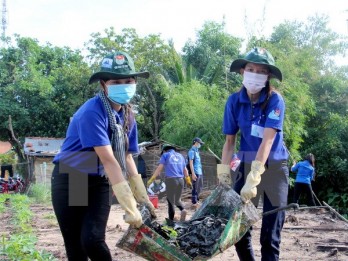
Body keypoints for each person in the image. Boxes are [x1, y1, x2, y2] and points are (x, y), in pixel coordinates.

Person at [51, 51, 156, 261]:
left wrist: (141, 197)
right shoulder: (92, 112)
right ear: (103, 84)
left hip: (99, 180)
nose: (123, 85)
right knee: (76, 247)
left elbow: (126, 157)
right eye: (116, 81)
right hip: (73, 178)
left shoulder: (127, 115)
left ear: (135, 81)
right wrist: (128, 204)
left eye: (128, 80)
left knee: (92, 239)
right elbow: (109, 159)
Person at [217, 47, 289, 261]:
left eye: (261, 71)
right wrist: (223, 177)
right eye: (251, 69)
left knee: (270, 233)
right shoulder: (233, 101)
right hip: (245, 165)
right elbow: (230, 141)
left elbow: (267, 140)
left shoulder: (275, 101)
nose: (255, 74)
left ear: (268, 76)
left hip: (275, 169)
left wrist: (255, 177)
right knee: (238, 230)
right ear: (242, 71)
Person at [147, 144, 192, 221]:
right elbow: (185, 170)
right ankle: (183, 209)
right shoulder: (181, 156)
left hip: (171, 180)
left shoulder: (165, 155)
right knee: (177, 200)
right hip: (181, 180)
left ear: (165, 150)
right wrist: (188, 180)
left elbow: (160, 168)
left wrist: (152, 178)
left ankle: (170, 220)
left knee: (170, 201)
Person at [188, 137, 204, 209]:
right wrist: (193, 173)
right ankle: (194, 202)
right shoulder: (191, 151)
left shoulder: (197, 151)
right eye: (199, 143)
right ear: (196, 143)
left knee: (200, 187)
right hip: (195, 171)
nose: (200, 144)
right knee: (195, 187)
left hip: (199, 171)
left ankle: (197, 200)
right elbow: (191, 163)